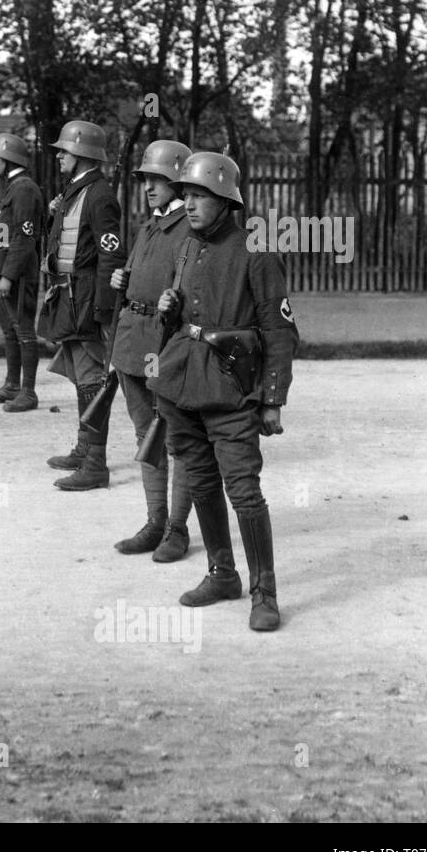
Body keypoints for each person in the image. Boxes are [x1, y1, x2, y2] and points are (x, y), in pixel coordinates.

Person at [151, 151, 300, 631]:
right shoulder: (187, 246)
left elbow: (279, 332)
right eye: (187, 195)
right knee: (199, 480)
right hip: (184, 383)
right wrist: (169, 308)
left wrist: (272, 399)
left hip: (233, 388)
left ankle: (265, 593)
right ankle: (221, 574)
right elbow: (186, 312)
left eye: (199, 197)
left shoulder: (256, 251)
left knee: (244, 491)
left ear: (224, 200)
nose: (189, 205)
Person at [108, 139, 195, 561]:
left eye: (157, 179)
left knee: (178, 439)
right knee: (147, 436)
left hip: (167, 342)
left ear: (179, 183)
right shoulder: (148, 226)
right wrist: (123, 282)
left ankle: (177, 530)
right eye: (145, 179)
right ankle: (155, 521)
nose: (148, 186)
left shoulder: (190, 228)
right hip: (133, 339)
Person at [42, 120, 124, 489]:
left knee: (92, 380)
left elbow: (110, 256)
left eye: (64, 151)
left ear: (81, 154)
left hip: (87, 301)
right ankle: (83, 448)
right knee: (82, 380)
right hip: (69, 298)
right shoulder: (77, 191)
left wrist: (103, 310)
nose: (59, 156)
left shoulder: (100, 195)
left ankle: (96, 463)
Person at [0, 133, 43, 411]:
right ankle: (12, 385)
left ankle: (28, 392)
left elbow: (25, 237)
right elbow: (9, 233)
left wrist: (8, 276)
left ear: (7, 159)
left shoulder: (24, 189)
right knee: (9, 331)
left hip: (16, 273)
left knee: (23, 330)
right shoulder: (12, 187)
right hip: (6, 268)